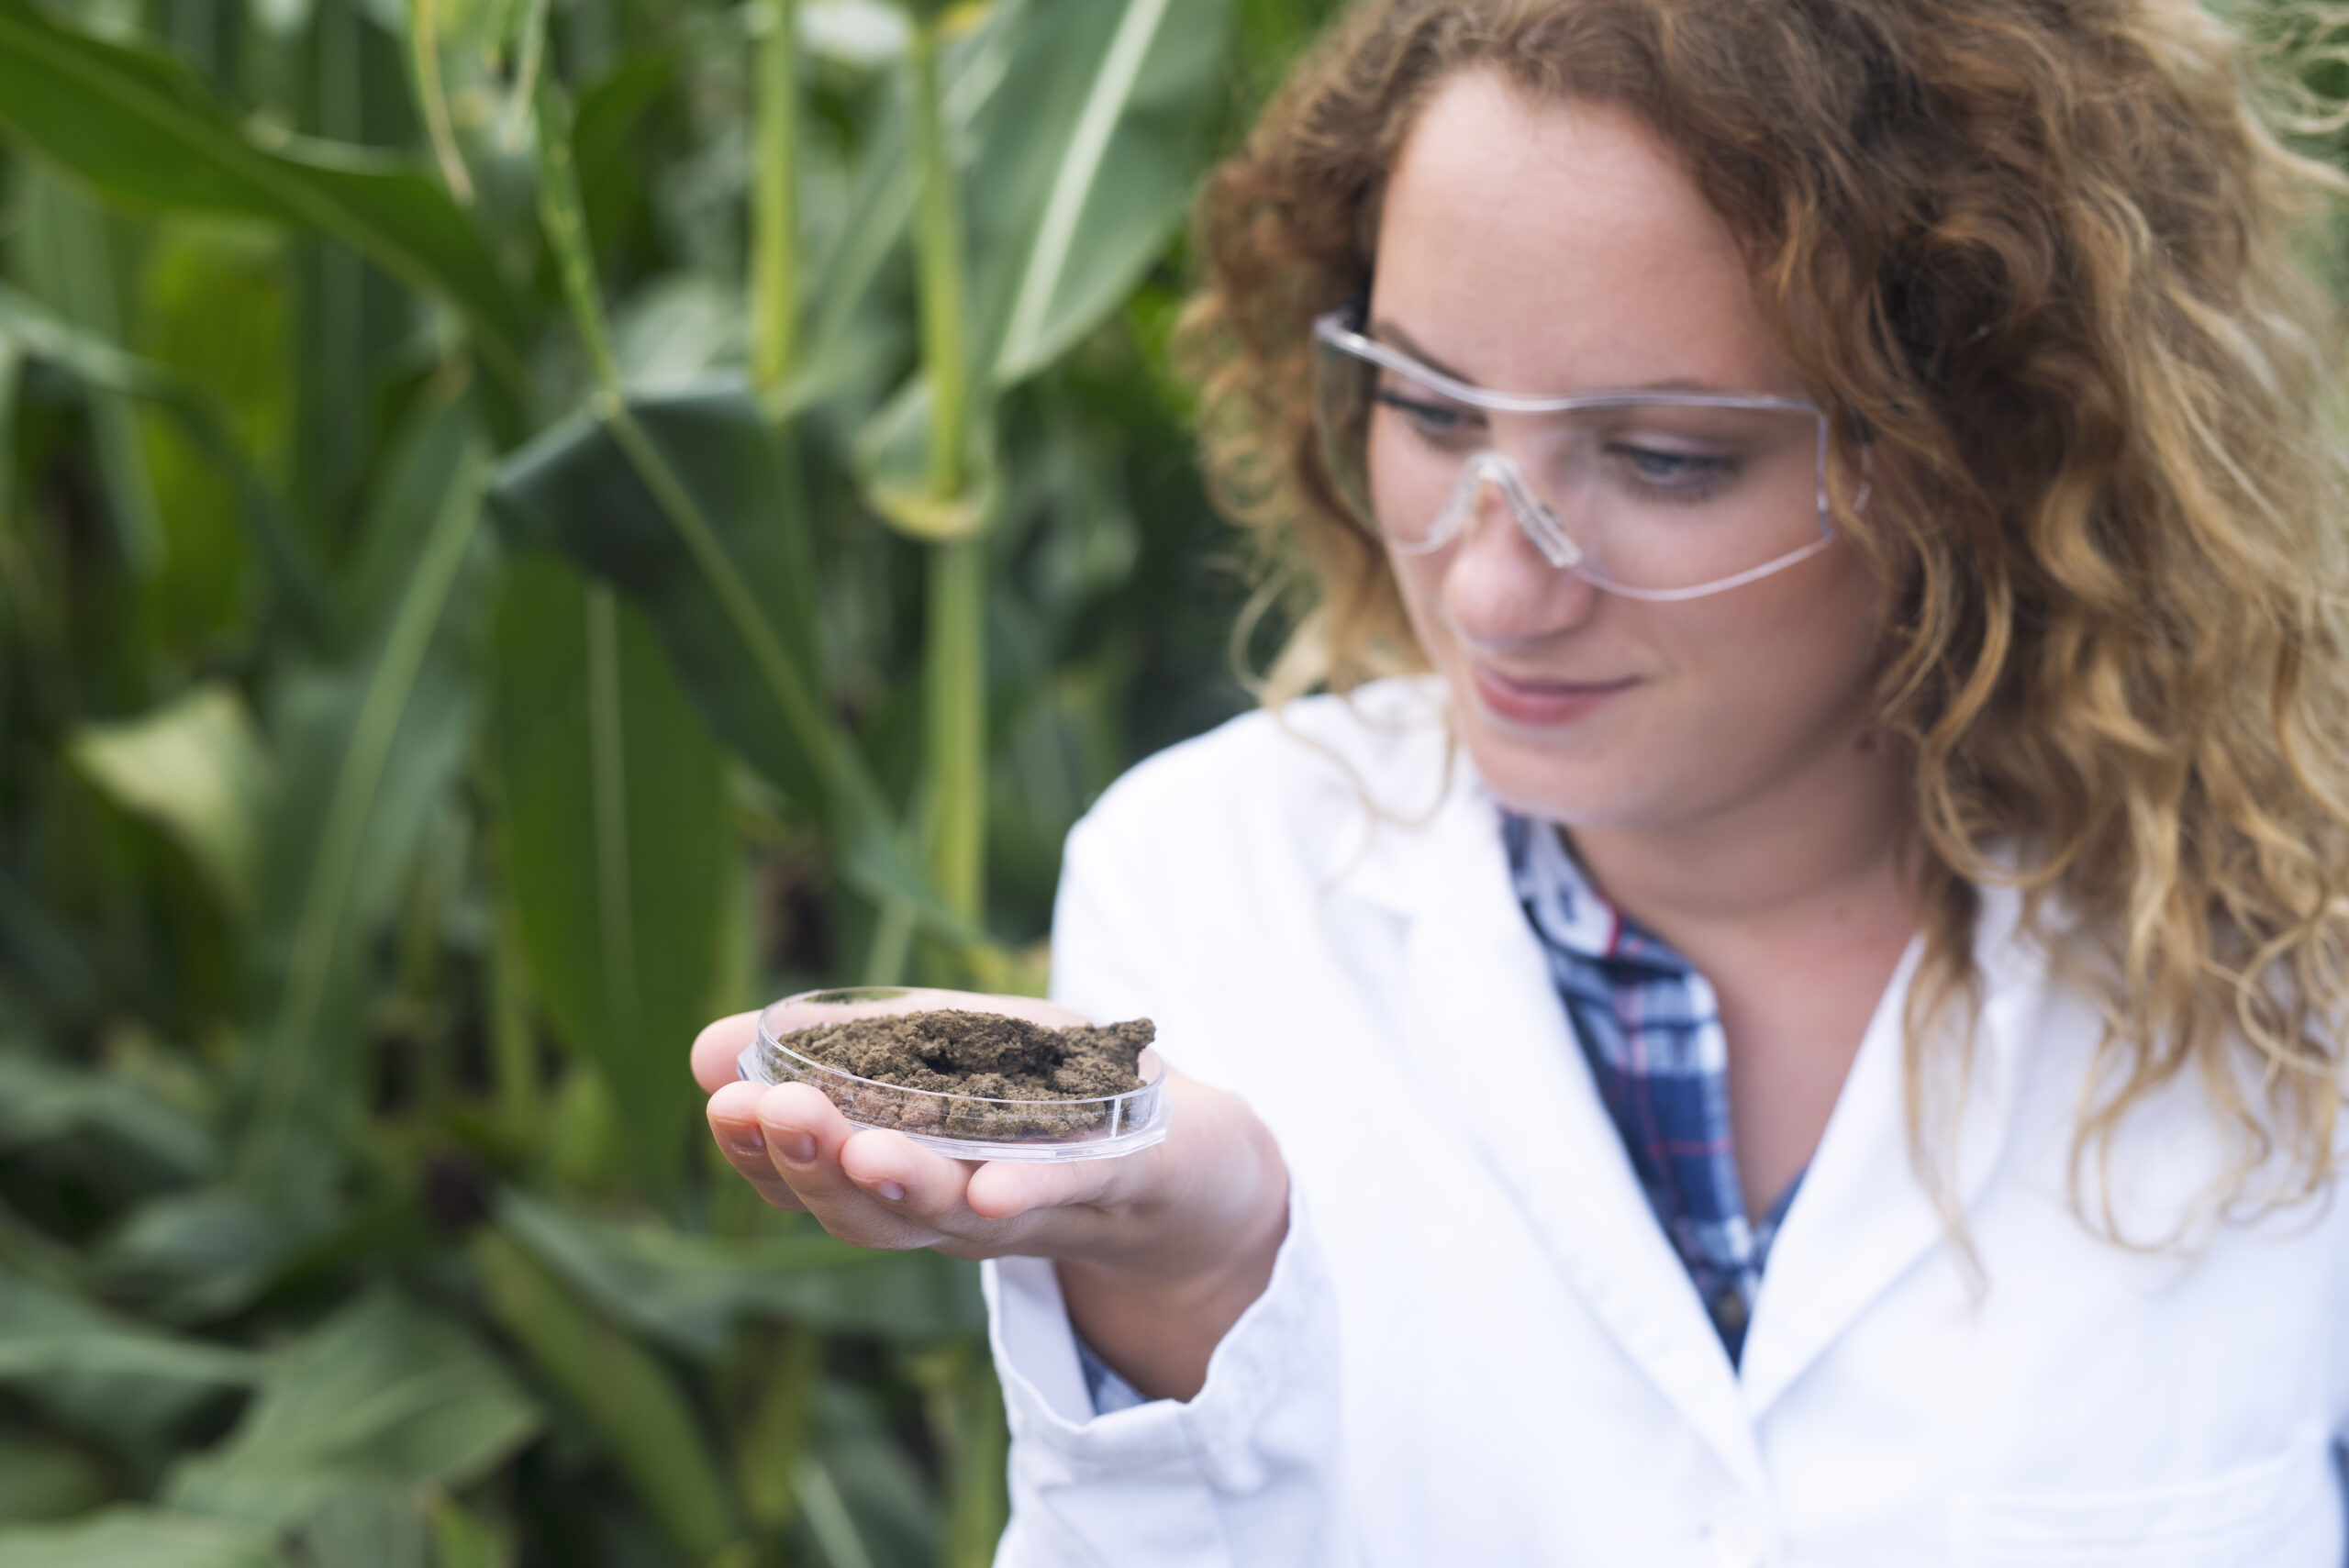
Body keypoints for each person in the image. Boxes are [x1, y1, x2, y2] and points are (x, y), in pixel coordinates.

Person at [695, 0, 2349, 1560]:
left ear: (1972, 437)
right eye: (1429, 409)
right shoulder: (1205, 886)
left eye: (1664, 459)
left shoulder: (2295, 964)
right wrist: (1190, 1295)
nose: (1492, 589)